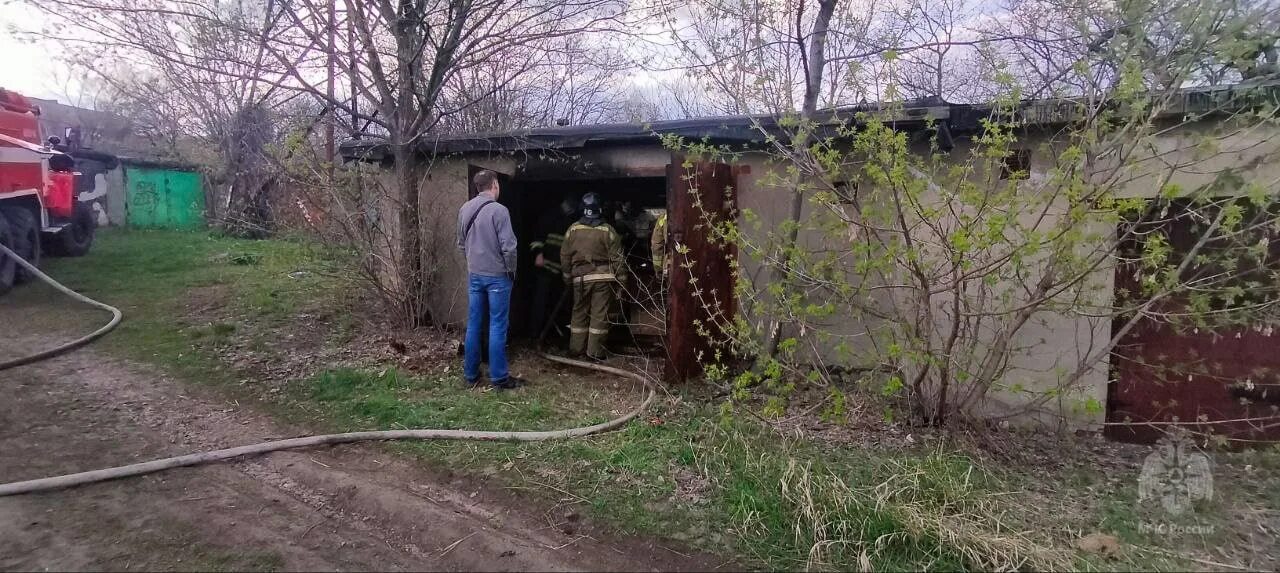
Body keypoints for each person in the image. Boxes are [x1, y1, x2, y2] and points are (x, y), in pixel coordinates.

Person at [456, 170, 522, 390]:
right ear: (494, 185)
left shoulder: (465, 208)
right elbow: (509, 247)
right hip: (497, 278)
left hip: (475, 275)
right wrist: (511, 271)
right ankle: (500, 378)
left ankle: (471, 375)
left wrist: (474, 262)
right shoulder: (499, 210)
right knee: (497, 325)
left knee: (474, 324)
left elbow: (461, 244)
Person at [560, 192, 626, 360]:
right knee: (599, 315)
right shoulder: (608, 230)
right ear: (600, 210)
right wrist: (622, 282)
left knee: (579, 314)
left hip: (580, 280)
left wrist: (567, 278)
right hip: (603, 280)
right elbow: (618, 258)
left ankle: (576, 350)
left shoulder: (572, 229)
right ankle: (594, 353)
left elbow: (565, 256)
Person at [529, 198, 576, 339]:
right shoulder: (549, 217)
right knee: (540, 303)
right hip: (546, 268)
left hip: (560, 270)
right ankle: (534, 335)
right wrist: (538, 254)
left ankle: (555, 336)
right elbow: (537, 239)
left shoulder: (571, 221)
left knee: (558, 304)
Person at [651, 211, 668, 283]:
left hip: (672, 266)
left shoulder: (663, 218)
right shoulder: (663, 219)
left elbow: (657, 246)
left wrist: (659, 271)